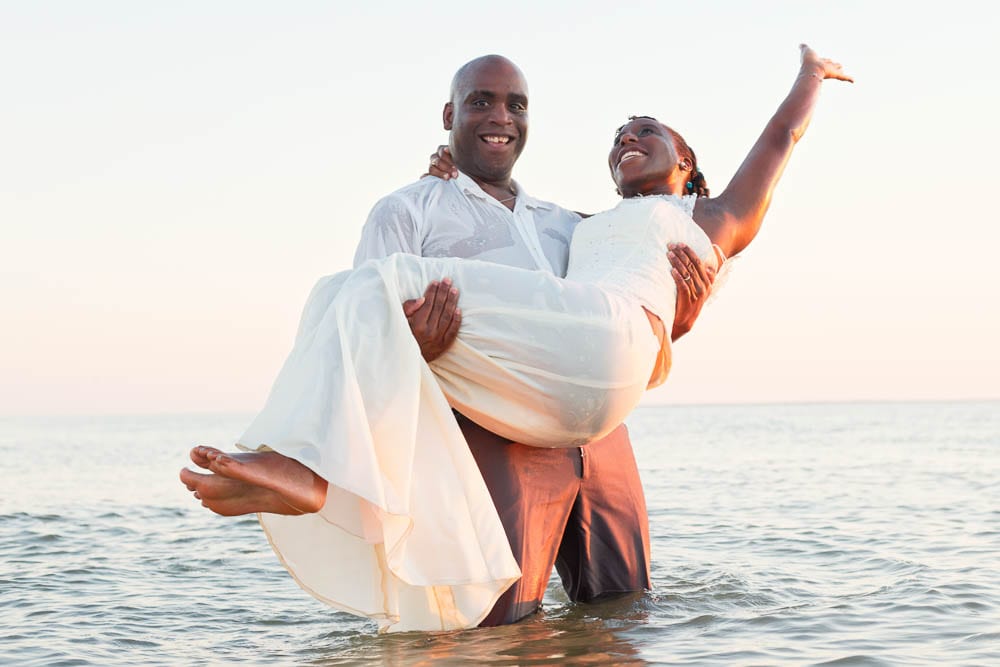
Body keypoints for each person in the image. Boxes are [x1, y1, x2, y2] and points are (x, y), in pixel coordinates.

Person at [180, 45, 850, 632]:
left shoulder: (568, 221)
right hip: (501, 429)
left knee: (624, 615)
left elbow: (643, 265)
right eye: (480, 102)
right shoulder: (407, 210)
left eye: (515, 104)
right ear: (450, 117)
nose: (500, 116)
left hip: (600, 432)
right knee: (502, 624)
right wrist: (418, 343)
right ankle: (316, 471)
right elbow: (370, 344)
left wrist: (685, 309)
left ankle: (314, 473)